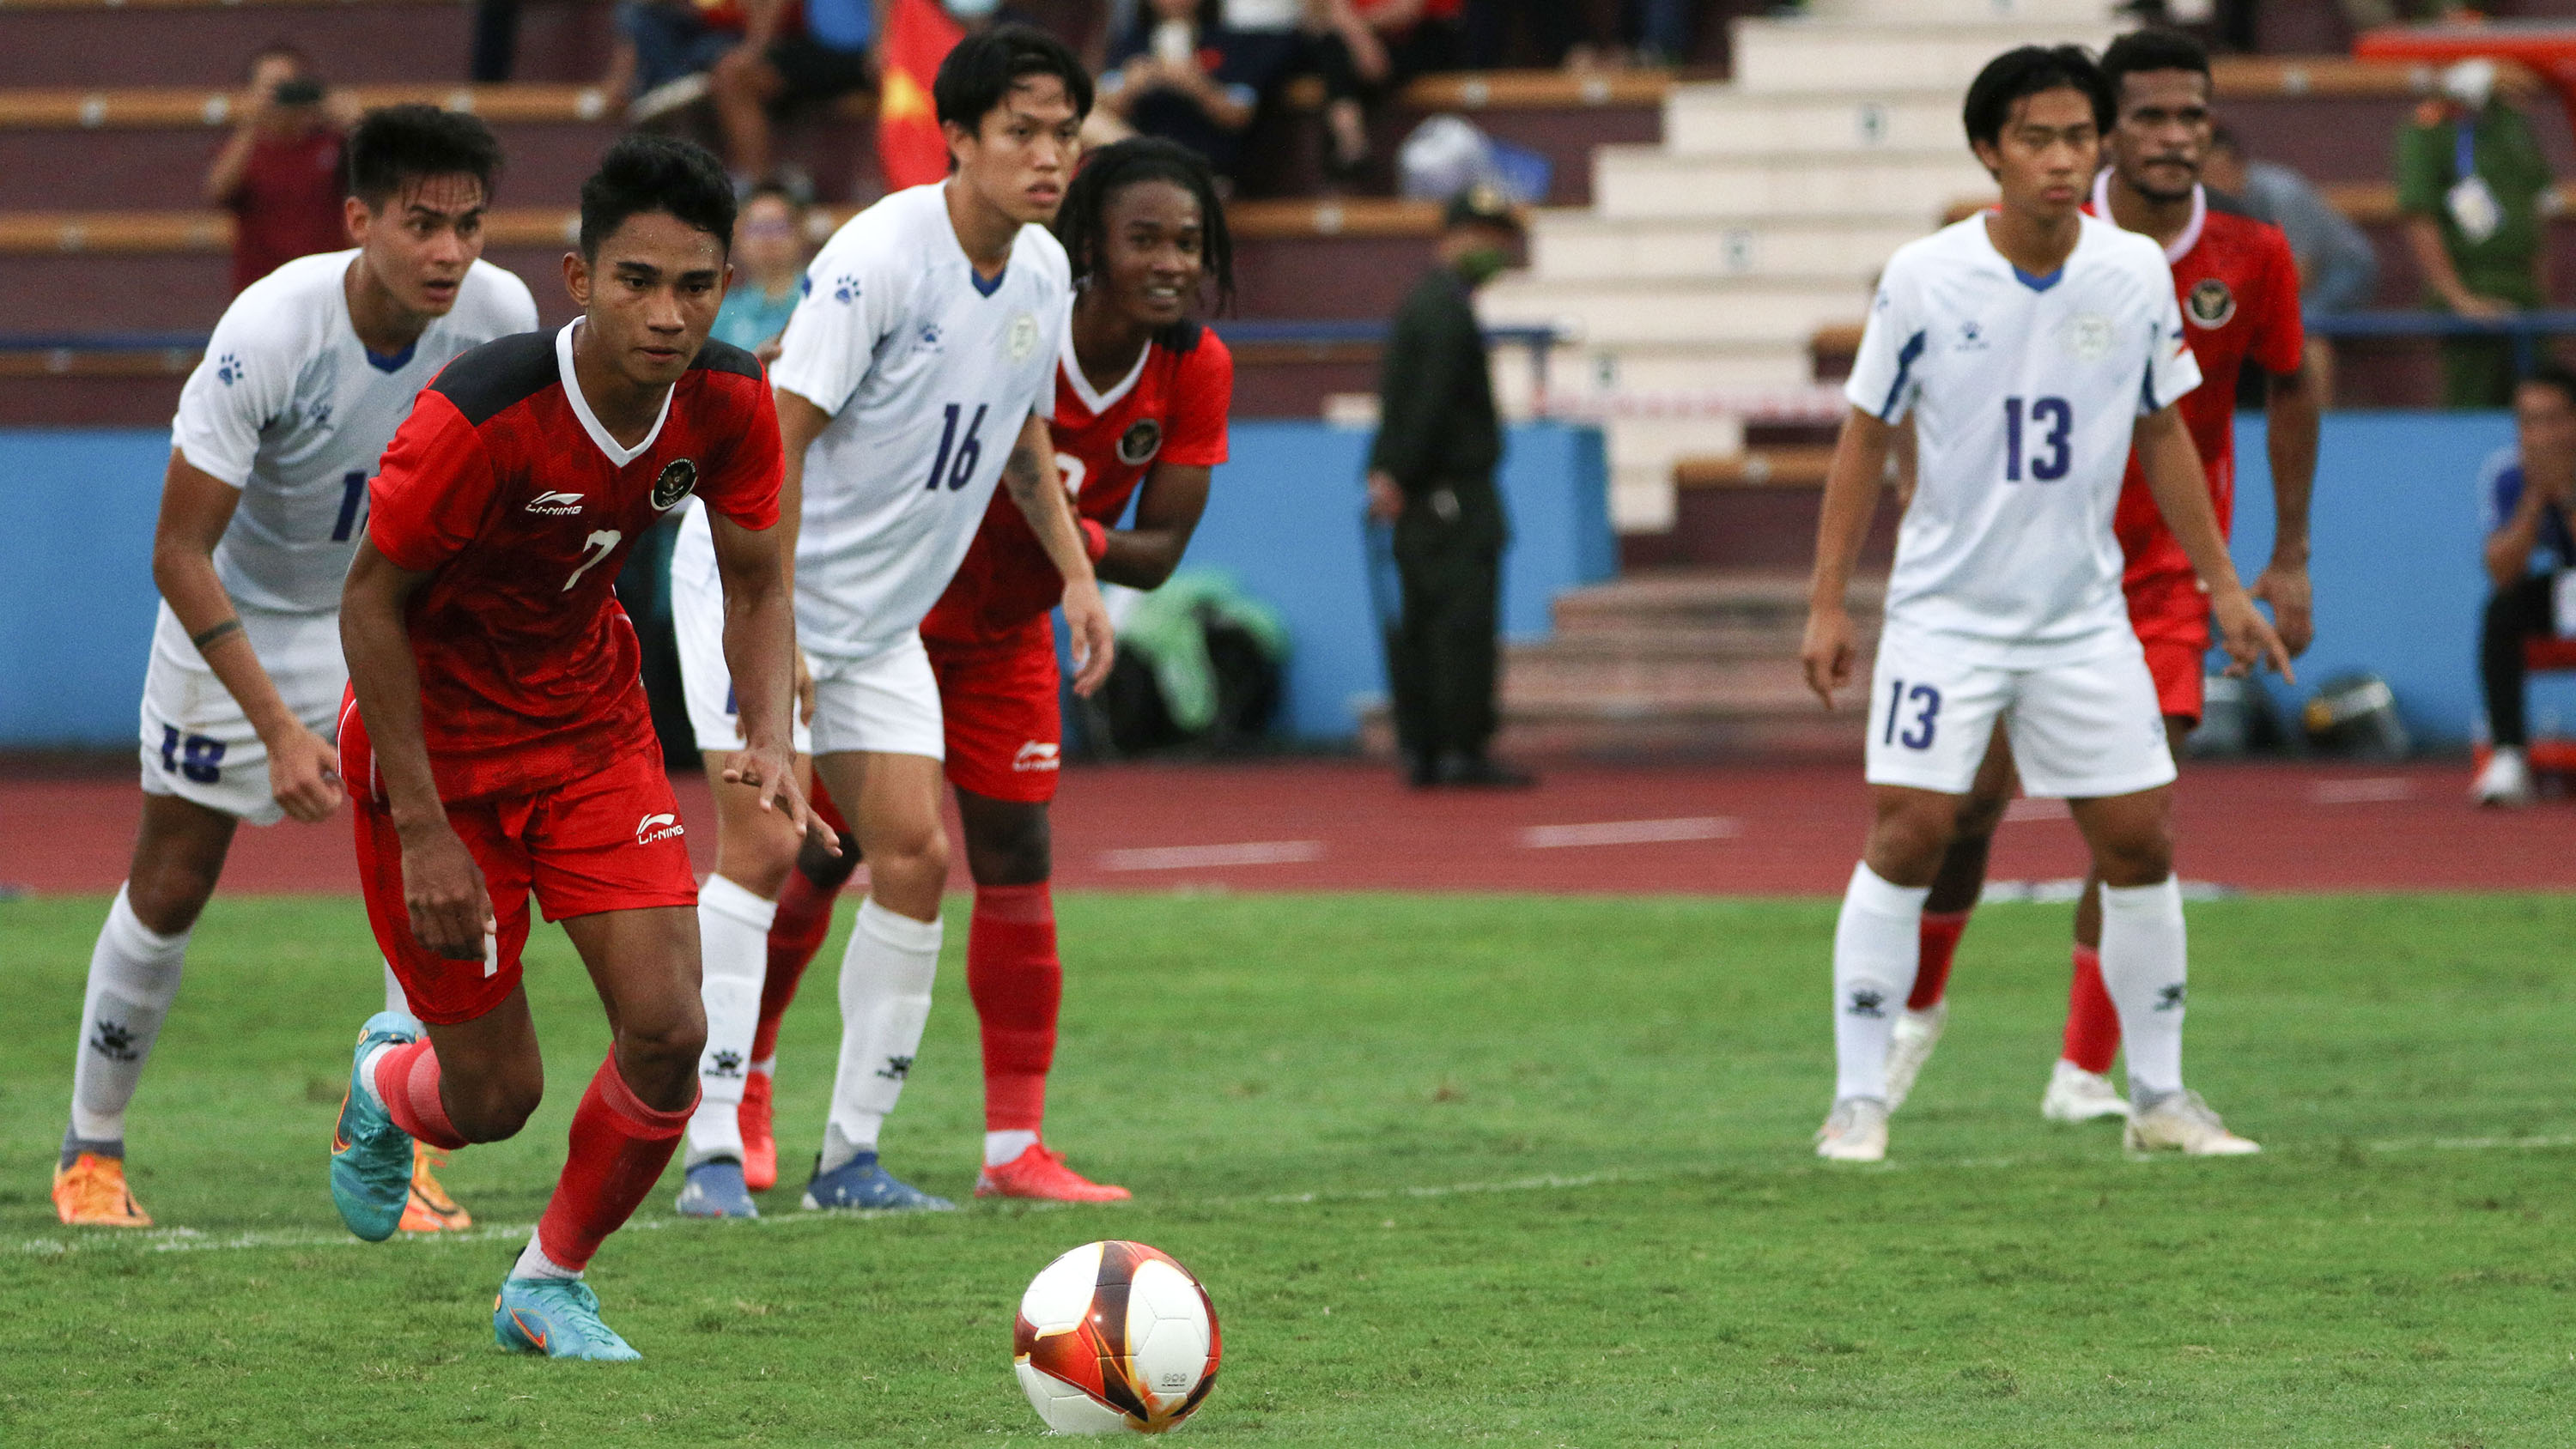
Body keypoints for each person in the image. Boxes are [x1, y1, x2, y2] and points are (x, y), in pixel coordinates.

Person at [327, 134, 822, 1360]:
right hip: (436, 762)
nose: (668, 314)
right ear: (577, 279)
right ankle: (386, 1089)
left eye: (695, 286)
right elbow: (369, 606)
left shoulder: (729, 399)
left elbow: (757, 582)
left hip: (593, 731)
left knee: (670, 1029)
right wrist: (427, 829)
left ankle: (546, 1282)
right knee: (493, 1102)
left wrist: (770, 734)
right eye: (638, 281)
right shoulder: (478, 419)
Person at [694, 136, 1238, 1213]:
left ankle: (1011, 1143)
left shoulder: (1194, 364)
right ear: (1090, 247)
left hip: (1001, 634)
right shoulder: (1013, 306)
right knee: (816, 848)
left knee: (1013, 852)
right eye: (1145, 239)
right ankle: (743, 1091)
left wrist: (1075, 560)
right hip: (892, 610)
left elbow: (1163, 545)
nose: (1171, 261)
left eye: (1189, 241)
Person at [1801, 44, 2290, 1165]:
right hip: (1946, 615)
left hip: (2082, 617)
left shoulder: (2129, 273)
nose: (2065, 160)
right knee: (1913, 829)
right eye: (2039, 138)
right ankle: (1858, 1097)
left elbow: (2163, 428)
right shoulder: (1925, 275)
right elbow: (1865, 434)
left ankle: (2158, 1097)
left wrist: (2225, 583)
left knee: (2140, 839)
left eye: (2080, 137)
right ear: (1990, 150)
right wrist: (1829, 602)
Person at [51, 108, 535, 1232]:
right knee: (173, 881)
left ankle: (397, 1139)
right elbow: (178, 553)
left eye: (469, 225)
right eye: (422, 224)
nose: (450, 254)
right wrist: (276, 727)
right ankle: (92, 1151)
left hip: (390, 623)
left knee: (435, 870)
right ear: (359, 219)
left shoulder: (501, 315)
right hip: (241, 617)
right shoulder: (269, 329)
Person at [663, 27, 1114, 1220]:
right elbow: (781, 437)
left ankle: (849, 1161)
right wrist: (778, 632)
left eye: (1065, 132)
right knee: (765, 847)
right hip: (755, 581)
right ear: (957, 139)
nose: (1049, 153)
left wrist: (1074, 574)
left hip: (870, 619)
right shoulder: (880, 256)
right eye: (1022, 130)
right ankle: (709, 1154)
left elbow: (1021, 433)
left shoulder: (1042, 273)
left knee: (913, 858)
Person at [1366, 184, 1532, 790]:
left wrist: (1386, 471)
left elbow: (1399, 404)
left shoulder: (1427, 304)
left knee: (1426, 620)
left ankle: (1430, 744)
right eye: (1491, 240)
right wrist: (1400, 474)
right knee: (1459, 623)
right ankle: (1459, 745)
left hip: (1428, 495)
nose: (1499, 253)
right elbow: (1426, 406)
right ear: (1459, 235)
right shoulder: (1444, 311)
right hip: (1450, 496)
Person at [2396, 58, 2555, 409]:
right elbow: (2420, 218)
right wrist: (2459, 298)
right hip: (2473, 293)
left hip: (2526, 294)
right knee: (2474, 408)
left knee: (2541, 405)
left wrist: (2542, 294)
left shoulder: (2511, 121)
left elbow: (2536, 207)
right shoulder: (2431, 128)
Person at [2202, 123, 2377, 401]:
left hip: (2340, 269)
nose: (2213, 182)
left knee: (2304, 324)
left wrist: (2243, 310)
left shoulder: (2283, 194)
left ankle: (2320, 421)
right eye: (2205, 175)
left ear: (2238, 165)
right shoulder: (2207, 203)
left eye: (2220, 172)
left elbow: (2302, 275)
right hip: (2264, 284)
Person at [2470, 366, 2576, 807]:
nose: (2539, 434)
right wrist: (2535, 498)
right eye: (2527, 422)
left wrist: (2567, 493)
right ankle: (2510, 754)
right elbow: (2502, 571)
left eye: (2552, 419)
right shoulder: (2507, 473)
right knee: (2501, 608)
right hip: (2564, 592)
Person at [205, 45, 358, 294]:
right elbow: (217, 191)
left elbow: (384, 181)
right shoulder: (245, 150)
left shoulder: (333, 144)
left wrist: (356, 124)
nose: (280, 96)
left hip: (324, 287)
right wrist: (252, 121)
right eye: (270, 87)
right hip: (262, 288)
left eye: (288, 85)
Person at [1096, 0, 1274, 179]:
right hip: (1137, 167)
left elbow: (1241, 113)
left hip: (1212, 166)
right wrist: (1131, 87)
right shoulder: (1130, 43)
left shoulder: (1230, 43)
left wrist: (1197, 86)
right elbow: (1100, 110)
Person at [710, 0, 879, 188]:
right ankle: (759, 186)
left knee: (734, 74)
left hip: (867, 54)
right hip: (821, 50)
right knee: (733, 77)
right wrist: (754, 48)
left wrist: (883, 44)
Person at [1311, 0, 1466, 178]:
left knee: (1340, 55)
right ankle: (1351, 146)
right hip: (1360, 43)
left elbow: (1408, 11)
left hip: (1422, 34)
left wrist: (1361, 31)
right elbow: (1334, 10)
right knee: (1333, 48)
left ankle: (1350, 144)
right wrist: (1361, 39)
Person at [713, 180, 811, 360]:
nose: (768, 239)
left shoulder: (817, 302)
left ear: (800, 233)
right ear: (738, 238)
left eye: (778, 227)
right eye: (757, 228)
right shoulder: (721, 314)